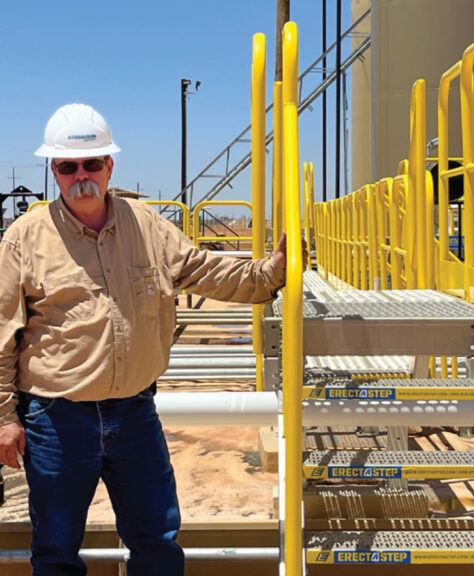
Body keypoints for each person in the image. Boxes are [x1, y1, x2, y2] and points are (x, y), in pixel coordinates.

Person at [0, 103, 288, 575]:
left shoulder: (146, 225)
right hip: (56, 419)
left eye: (92, 163)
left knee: (156, 540)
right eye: (68, 166)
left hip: (133, 413)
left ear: (110, 165)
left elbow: (201, 269)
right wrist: (4, 419)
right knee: (55, 550)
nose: (81, 175)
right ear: (54, 170)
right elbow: (2, 337)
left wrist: (268, 274)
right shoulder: (24, 239)